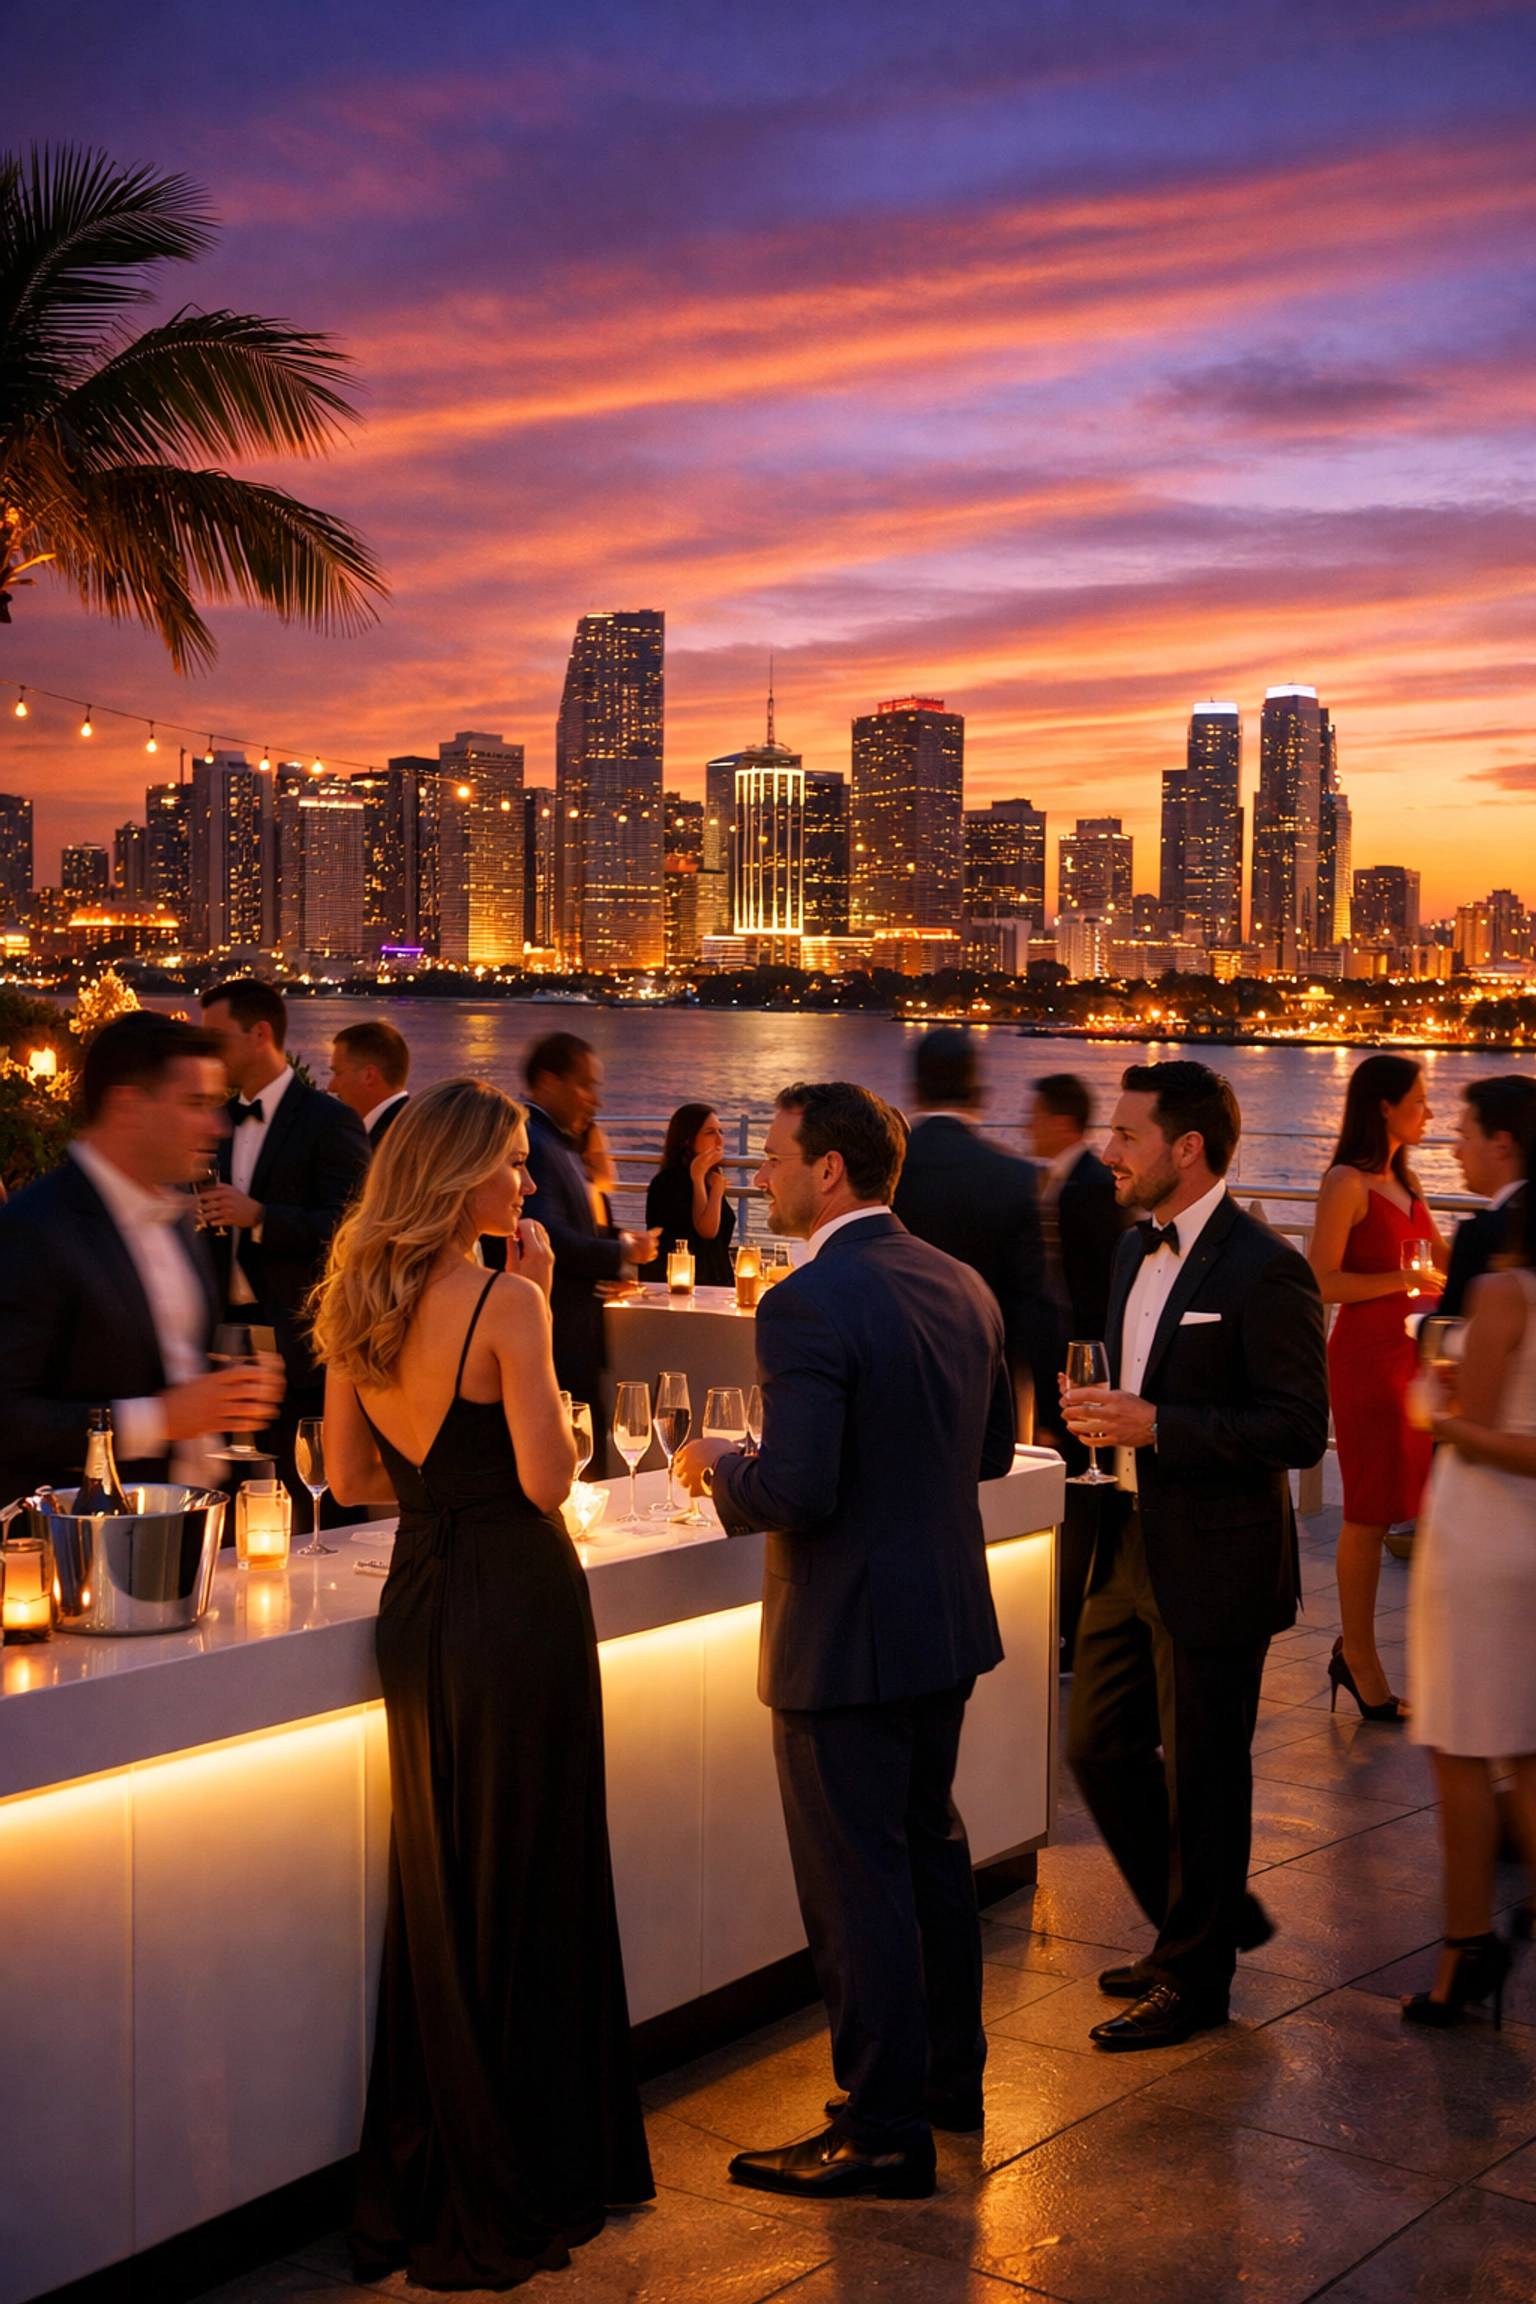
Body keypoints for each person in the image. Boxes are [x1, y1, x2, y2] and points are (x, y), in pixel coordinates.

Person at [315, 1078, 653, 2288]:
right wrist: (544, 1313)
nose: (526, 1182)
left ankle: (436, 2149)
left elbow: (349, 1477)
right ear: (459, 1177)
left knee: (442, 1875)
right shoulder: (508, 1299)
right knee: (534, 1867)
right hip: (516, 1598)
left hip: (420, 1598)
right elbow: (552, 1480)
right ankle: (531, 2157)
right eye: (510, 1164)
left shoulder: (353, 1300)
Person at [677, 1081, 1016, 2200]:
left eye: (772, 1158)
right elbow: (989, 1460)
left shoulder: (807, 1302)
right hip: (946, 1619)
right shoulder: (962, 1283)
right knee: (926, 1854)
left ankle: (880, 2129)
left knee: (853, 1884)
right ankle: (941, 2083)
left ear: (830, 1170)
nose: (757, 1176)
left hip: (844, 1636)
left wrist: (720, 1462)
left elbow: (800, 1488)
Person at [1060, 1060, 1328, 2051]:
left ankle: (1195, 1975)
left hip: (1215, 1556)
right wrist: (1102, 1414)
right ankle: (1199, 1923)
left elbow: (1298, 1427)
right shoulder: (1135, 1253)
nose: (1108, 1151)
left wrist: (1155, 1422)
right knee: (1096, 1745)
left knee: (1206, 1773)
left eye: (1127, 1135)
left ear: (1187, 1149)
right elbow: (1137, 1387)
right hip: (1127, 1537)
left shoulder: (1266, 1266)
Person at [0, 1012, 282, 1503]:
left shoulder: (179, 1218)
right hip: (79, 1543)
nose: (217, 1125)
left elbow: (161, 1364)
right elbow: (7, 1417)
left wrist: (227, 1392)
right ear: (129, 1105)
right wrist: (160, 1419)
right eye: (196, 1103)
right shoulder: (36, 1226)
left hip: (188, 1526)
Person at [1404, 1108, 1536, 2030]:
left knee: (1459, 1743)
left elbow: (1487, 1431)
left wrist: (1435, 1411)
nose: (1456, 1151)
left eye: (1470, 1136)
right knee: (1525, 1747)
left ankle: (1464, 1953)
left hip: (1486, 1535)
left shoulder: (1506, 1289)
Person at [1309, 1055, 1448, 1720]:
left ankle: (1366, 1653)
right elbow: (1320, 1281)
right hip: (1365, 1360)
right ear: (1385, 1106)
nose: (1430, 1111)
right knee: (1367, 1512)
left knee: (1405, 1500)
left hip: (1413, 1360)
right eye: (1420, 1100)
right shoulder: (1346, 1181)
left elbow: (1448, 1264)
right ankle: (1359, 1659)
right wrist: (1405, 1282)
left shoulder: (1405, 1181)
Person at [198, 979, 370, 1508]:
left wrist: (262, 1218)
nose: (209, 1053)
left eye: (217, 1038)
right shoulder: (213, 1124)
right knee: (228, 1491)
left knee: (313, 1485)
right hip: (222, 1340)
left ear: (260, 1034)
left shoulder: (328, 1120)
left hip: (300, 1342)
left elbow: (353, 1228)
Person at [890, 1027, 1049, 1431]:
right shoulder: (1015, 1177)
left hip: (891, 1379)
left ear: (915, 1091)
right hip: (985, 1390)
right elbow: (1032, 1305)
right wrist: (1049, 1413)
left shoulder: (884, 1171)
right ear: (979, 1093)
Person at [515, 1034, 658, 1462]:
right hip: (558, 1342)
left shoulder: (555, 1142)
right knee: (574, 1465)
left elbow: (574, 1227)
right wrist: (621, 1254)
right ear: (548, 1081)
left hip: (574, 1339)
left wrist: (616, 1243)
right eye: (585, 1085)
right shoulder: (536, 1145)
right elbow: (544, 1236)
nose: (594, 1100)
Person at [1027, 1072, 1129, 1666]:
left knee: (1084, 1503)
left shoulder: (1086, 1187)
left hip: (1080, 1373)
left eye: (1036, 1116)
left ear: (1061, 1121)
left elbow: (1087, 1296)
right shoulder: (1068, 1181)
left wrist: (1075, 1383)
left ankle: (1071, 1629)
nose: (1027, 1127)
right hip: (1070, 1375)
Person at [1441, 1075, 1536, 1318]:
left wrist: (1418, 1321)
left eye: (1466, 1137)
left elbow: (1451, 1326)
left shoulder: (1482, 1234)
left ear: (1502, 1144)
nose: (1456, 1152)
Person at [639, 1103, 736, 1284]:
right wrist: (714, 1189)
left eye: (720, 1131)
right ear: (687, 1139)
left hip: (716, 1286)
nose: (719, 1140)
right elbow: (707, 1231)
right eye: (710, 1132)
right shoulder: (669, 1183)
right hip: (687, 1288)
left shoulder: (710, 1177)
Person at [328, 1020, 411, 1146]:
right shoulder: (411, 1123)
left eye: (339, 1073)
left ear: (369, 1075)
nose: (331, 1088)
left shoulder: (396, 1140)